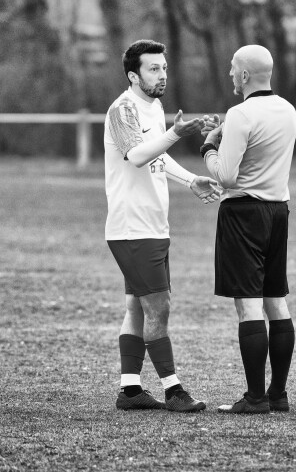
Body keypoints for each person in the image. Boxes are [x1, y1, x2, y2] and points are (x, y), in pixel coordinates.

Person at [104, 39, 221, 412]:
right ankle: (174, 391)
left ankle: (131, 390)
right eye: (154, 68)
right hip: (132, 227)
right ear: (132, 75)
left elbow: (158, 155)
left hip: (152, 225)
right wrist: (176, 133)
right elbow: (138, 155)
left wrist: (191, 180)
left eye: (164, 68)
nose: (162, 74)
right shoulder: (122, 110)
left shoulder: (152, 106)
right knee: (159, 307)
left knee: (137, 309)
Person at [200, 45, 296, 414]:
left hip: (243, 213)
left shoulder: (240, 113)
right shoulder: (287, 109)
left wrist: (209, 147)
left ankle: (255, 397)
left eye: (232, 69)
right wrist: (227, 134)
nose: (229, 74)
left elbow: (225, 175)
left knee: (249, 306)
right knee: (276, 300)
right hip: (278, 211)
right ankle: (278, 394)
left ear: (243, 75)